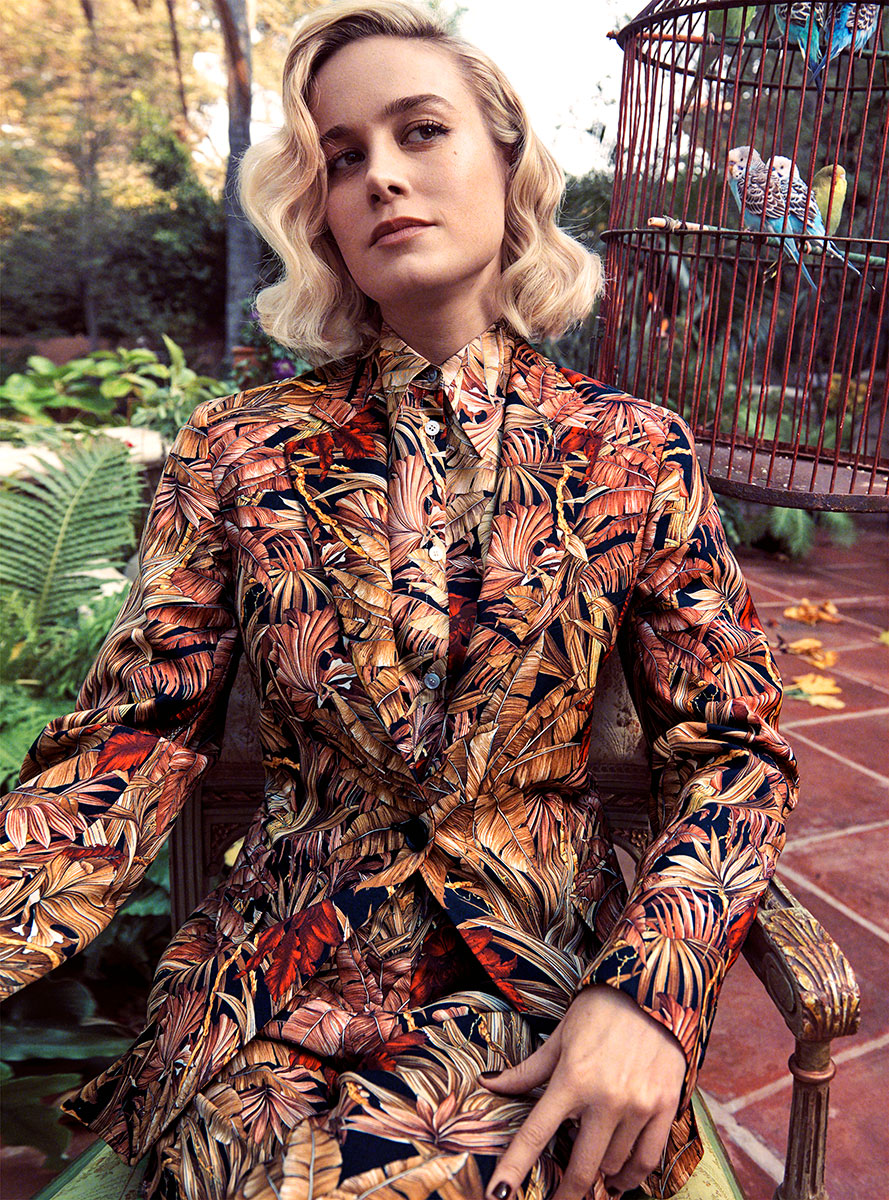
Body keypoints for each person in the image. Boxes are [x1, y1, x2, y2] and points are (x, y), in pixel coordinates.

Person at [0, 3, 799, 1198]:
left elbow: (735, 748)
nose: (379, 176)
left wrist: (650, 992)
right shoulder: (239, 449)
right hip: (275, 993)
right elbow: (128, 742)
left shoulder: (635, 451)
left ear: (508, 156)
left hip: (544, 987)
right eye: (340, 156)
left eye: (419, 130)